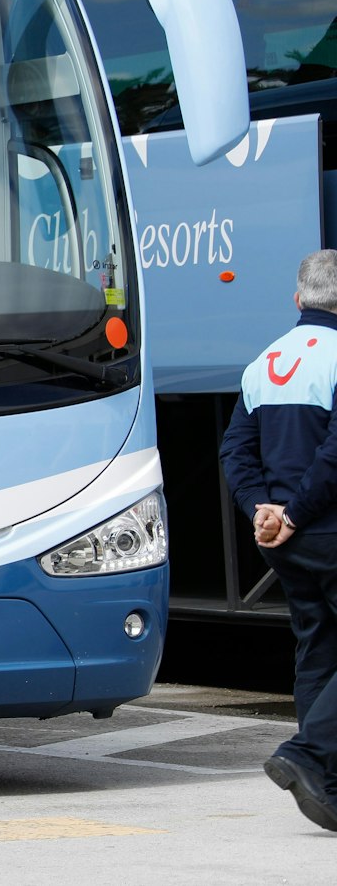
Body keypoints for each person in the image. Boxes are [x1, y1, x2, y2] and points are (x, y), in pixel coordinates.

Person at [221, 250, 337, 832]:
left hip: (286, 541)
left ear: (298, 300)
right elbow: (336, 455)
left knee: (318, 646)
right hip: (328, 528)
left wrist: (263, 513)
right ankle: (307, 754)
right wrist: (294, 513)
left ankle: (328, 787)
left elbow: (235, 451)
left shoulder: (264, 362)